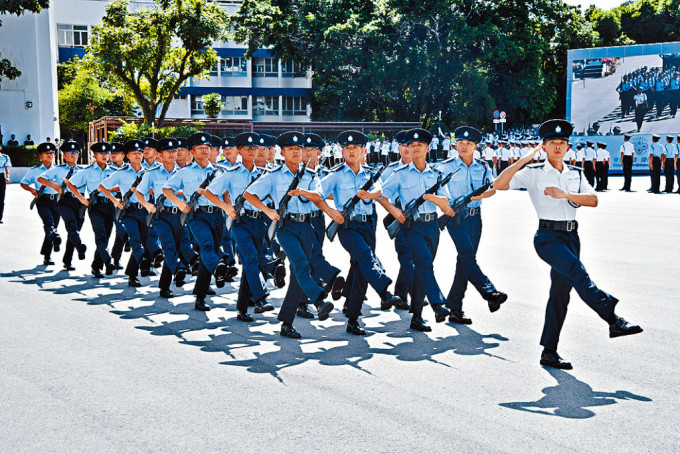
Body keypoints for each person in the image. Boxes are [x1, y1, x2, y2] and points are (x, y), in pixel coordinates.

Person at [494, 119, 642, 370]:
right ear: (544, 146)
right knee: (578, 273)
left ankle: (549, 352)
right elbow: (500, 184)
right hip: (548, 238)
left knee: (560, 294)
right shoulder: (533, 173)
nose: (558, 147)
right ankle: (612, 318)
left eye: (562, 143)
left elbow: (593, 200)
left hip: (572, 237)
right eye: (553, 143)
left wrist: (565, 195)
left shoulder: (576, 173)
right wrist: (523, 160)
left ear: (568, 147)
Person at [243, 131, 337, 338]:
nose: (296, 152)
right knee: (300, 265)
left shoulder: (309, 175)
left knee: (298, 276)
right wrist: (267, 211)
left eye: (298, 149)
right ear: (282, 153)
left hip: (307, 226)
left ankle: (286, 323)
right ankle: (320, 301)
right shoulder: (274, 175)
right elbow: (248, 194)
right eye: (291, 149)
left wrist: (304, 193)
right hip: (286, 228)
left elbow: (319, 196)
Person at [315, 130, 403, 332]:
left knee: (362, 271)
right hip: (348, 226)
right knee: (365, 255)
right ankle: (384, 290)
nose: (351, 151)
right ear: (342, 152)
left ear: (363, 150)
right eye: (347, 148)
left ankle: (353, 319)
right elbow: (317, 194)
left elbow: (380, 191)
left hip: (368, 224)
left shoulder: (371, 173)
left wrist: (370, 194)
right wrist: (331, 212)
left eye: (355, 148)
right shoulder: (335, 174)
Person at [378, 128, 455, 331]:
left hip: (432, 226)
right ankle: (438, 305)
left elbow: (448, 205)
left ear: (428, 148)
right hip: (411, 227)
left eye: (419, 145)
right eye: (411, 146)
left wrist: (434, 199)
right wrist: (395, 211)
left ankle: (417, 317)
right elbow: (381, 195)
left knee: (424, 268)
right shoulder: (399, 174)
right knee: (423, 265)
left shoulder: (437, 174)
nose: (415, 149)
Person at [435, 126, 508, 325]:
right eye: (460, 143)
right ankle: (489, 292)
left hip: (476, 217)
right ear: (455, 145)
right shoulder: (446, 167)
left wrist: (482, 195)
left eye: (468, 143)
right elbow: (438, 192)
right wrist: (447, 204)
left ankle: (454, 308)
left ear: (476, 146)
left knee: (465, 261)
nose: (464, 147)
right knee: (467, 256)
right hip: (455, 218)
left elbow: (492, 189)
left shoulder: (483, 167)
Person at [202, 132, 274, 319]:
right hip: (240, 222)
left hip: (260, 221)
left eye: (254, 148)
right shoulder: (231, 174)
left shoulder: (264, 174)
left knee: (253, 262)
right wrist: (226, 207)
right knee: (250, 258)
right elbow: (209, 193)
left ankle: (242, 308)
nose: (251, 151)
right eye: (247, 148)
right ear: (239, 151)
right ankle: (261, 298)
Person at [163, 133, 225, 312]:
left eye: (208, 148)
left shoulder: (219, 171)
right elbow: (167, 189)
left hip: (217, 215)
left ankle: (200, 296)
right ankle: (218, 268)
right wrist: (180, 203)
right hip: (197, 216)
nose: (205, 150)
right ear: (192, 152)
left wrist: (229, 208)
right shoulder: (185, 172)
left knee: (209, 253)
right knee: (205, 246)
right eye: (200, 148)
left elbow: (226, 193)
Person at [136, 138, 197, 298]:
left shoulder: (183, 173)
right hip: (161, 216)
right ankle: (178, 270)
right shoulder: (152, 173)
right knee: (169, 247)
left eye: (174, 151)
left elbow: (191, 191)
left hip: (180, 215)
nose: (172, 154)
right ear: (159, 155)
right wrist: (147, 205)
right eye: (168, 152)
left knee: (181, 246)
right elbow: (139, 192)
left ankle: (164, 286)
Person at [99, 140, 152, 286]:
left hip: (145, 212)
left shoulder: (149, 173)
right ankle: (143, 262)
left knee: (143, 241)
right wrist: (115, 201)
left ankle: (132, 274)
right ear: (127, 155)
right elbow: (102, 187)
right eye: (134, 153)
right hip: (129, 211)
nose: (138, 155)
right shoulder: (121, 173)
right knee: (135, 240)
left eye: (140, 153)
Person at [65, 142, 117, 278]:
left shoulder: (114, 171)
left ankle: (96, 266)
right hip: (95, 206)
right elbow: (70, 184)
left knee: (106, 237)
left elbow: (120, 186)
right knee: (100, 235)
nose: (105, 156)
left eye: (106, 153)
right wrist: (82, 199)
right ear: (94, 156)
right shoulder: (87, 171)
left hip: (110, 206)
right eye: (101, 153)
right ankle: (108, 261)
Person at [378, 130, 415, 309]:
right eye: (403, 146)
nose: (407, 149)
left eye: (410, 146)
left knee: (411, 258)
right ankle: (414, 292)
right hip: (399, 219)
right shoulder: (390, 170)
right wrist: (393, 211)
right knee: (407, 257)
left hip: (418, 220)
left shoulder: (422, 168)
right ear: (398, 148)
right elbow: (380, 195)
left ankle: (401, 295)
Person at [37, 141, 85, 270]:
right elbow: (41, 179)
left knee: (74, 231)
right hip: (65, 201)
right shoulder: (57, 169)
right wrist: (55, 186)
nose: (73, 155)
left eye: (75, 152)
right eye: (70, 153)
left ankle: (68, 261)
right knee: (72, 226)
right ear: (64, 155)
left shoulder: (83, 170)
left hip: (80, 202)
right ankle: (80, 246)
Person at [20, 142, 61, 264]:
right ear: (41, 156)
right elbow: (23, 182)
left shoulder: (59, 170)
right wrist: (32, 190)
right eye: (47, 153)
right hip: (42, 200)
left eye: (52, 153)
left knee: (53, 228)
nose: (50, 155)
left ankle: (47, 255)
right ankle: (53, 242)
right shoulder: (35, 170)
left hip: (57, 200)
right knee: (49, 223)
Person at [0, 143, 11, 223]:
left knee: (1, 198)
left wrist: (7, 177)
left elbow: (7, 168)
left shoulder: (5, 157)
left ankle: (0, 217)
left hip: (1, 177)